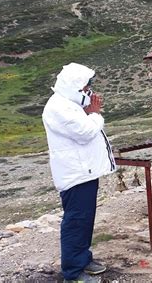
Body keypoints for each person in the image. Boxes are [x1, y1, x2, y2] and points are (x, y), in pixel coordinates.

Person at [42, 63, 116, 282]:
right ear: (73, 86)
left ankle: (83, 259)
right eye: (84, 88)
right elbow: (85, 132)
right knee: (76, 222)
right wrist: (94, 114)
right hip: (75, 174)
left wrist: (87, 112)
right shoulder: (59, 108)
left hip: (85, 172)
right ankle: (73, 273)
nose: (88, 92)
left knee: (85, 219)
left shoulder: (70, 104)